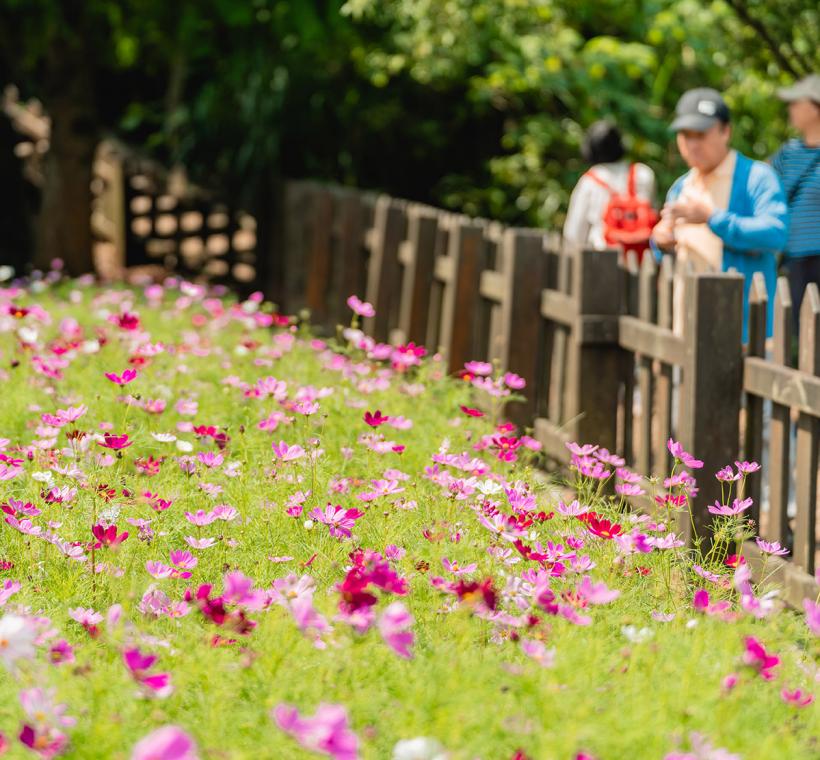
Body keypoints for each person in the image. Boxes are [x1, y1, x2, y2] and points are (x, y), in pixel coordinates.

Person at [651, 88, 789, 341]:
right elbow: (664, 252)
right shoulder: (681, 186)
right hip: (687, 328)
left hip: (744, 332)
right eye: (685, 135)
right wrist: (660, 241)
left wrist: (713, 218)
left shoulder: (756, 177)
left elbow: (776, 234)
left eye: (701, 134)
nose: (692, 144)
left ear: (726, 131)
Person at [563, 121, 656, 258]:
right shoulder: (643, 173)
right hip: (640, 258)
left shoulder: (590, 181)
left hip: (602, 257)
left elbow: (574, 232)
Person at [771, 74, 820, 332]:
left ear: (814, 107)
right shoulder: (787, 154)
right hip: (795, 260)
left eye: (795, 102)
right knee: (800, 332)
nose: (790, 108)